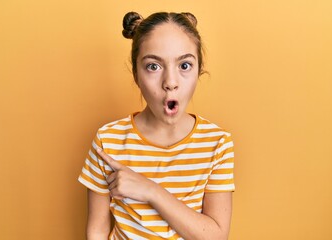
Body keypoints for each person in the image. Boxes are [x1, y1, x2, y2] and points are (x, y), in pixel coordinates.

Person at [78, 11, 235, 240]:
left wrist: (150, 190)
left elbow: (215, 237)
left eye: (184, 65)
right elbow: (97, 230)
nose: (170, 83)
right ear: (136, 74)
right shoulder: (107, 140)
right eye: (153, 66)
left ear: (199, 70)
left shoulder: (217, 143)